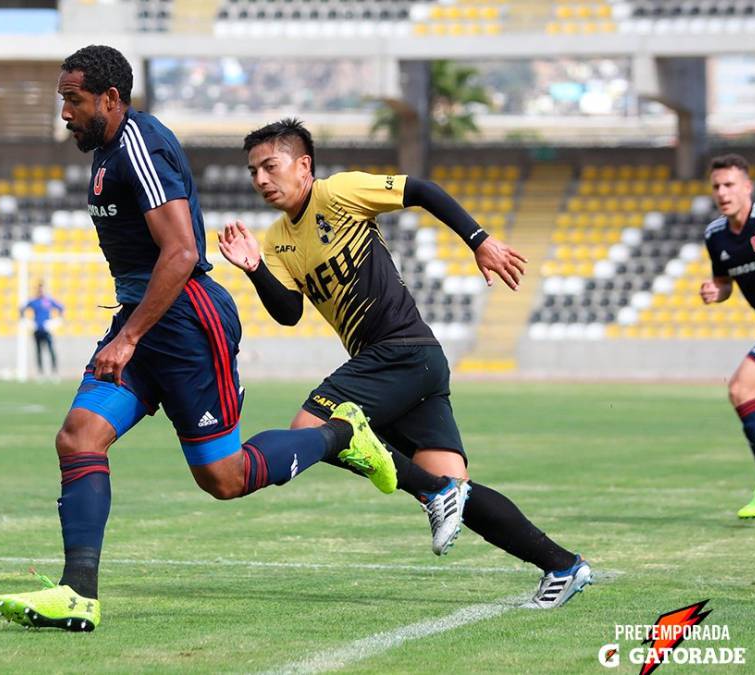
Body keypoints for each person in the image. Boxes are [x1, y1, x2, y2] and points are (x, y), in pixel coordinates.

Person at [0, 46, 402, 633]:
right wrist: (132, 328)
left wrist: (129, 337)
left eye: (73, 99)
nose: (64, 112)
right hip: (143, 316)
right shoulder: (107, 150)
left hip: (185, 320)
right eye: (63, 99)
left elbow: (183, 251)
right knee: (78, 438)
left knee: (224, 478)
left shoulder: (139, 142)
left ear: (110, 98)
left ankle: (343, 433)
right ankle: (78, 593)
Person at [216, 118, 592, 609]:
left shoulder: (341, 193)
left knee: (311, 428)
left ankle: (435, 495)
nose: (261, 180)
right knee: (460, 490)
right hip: (408, 364)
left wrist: (478, 240)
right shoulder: (278, 241)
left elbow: (423, 190)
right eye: (253, 172)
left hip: (400, 351)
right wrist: (256, 269)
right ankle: (563, 566)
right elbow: (288, 313)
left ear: (303, 166)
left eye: (270, 166)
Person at [700, 153, 755, 519]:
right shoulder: (715, 236)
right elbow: (725, 283)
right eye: (716, 186)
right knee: (741, 392)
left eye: (729, 184)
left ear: (747, 187)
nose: (722, 192)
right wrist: (717, 292)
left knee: (741, 389)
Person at [20, 282, 64, 377]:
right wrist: (25, 320)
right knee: (38, 351)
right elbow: (22, 308)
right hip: (37, 330)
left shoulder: (48, 301)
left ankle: (54, 371)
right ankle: (40, 372)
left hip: (47, 330)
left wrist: (57, 321)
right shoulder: (34, 301)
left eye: (42, 289)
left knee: (51, 350)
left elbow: (61, 307)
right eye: (39, 289)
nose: (41, 291)